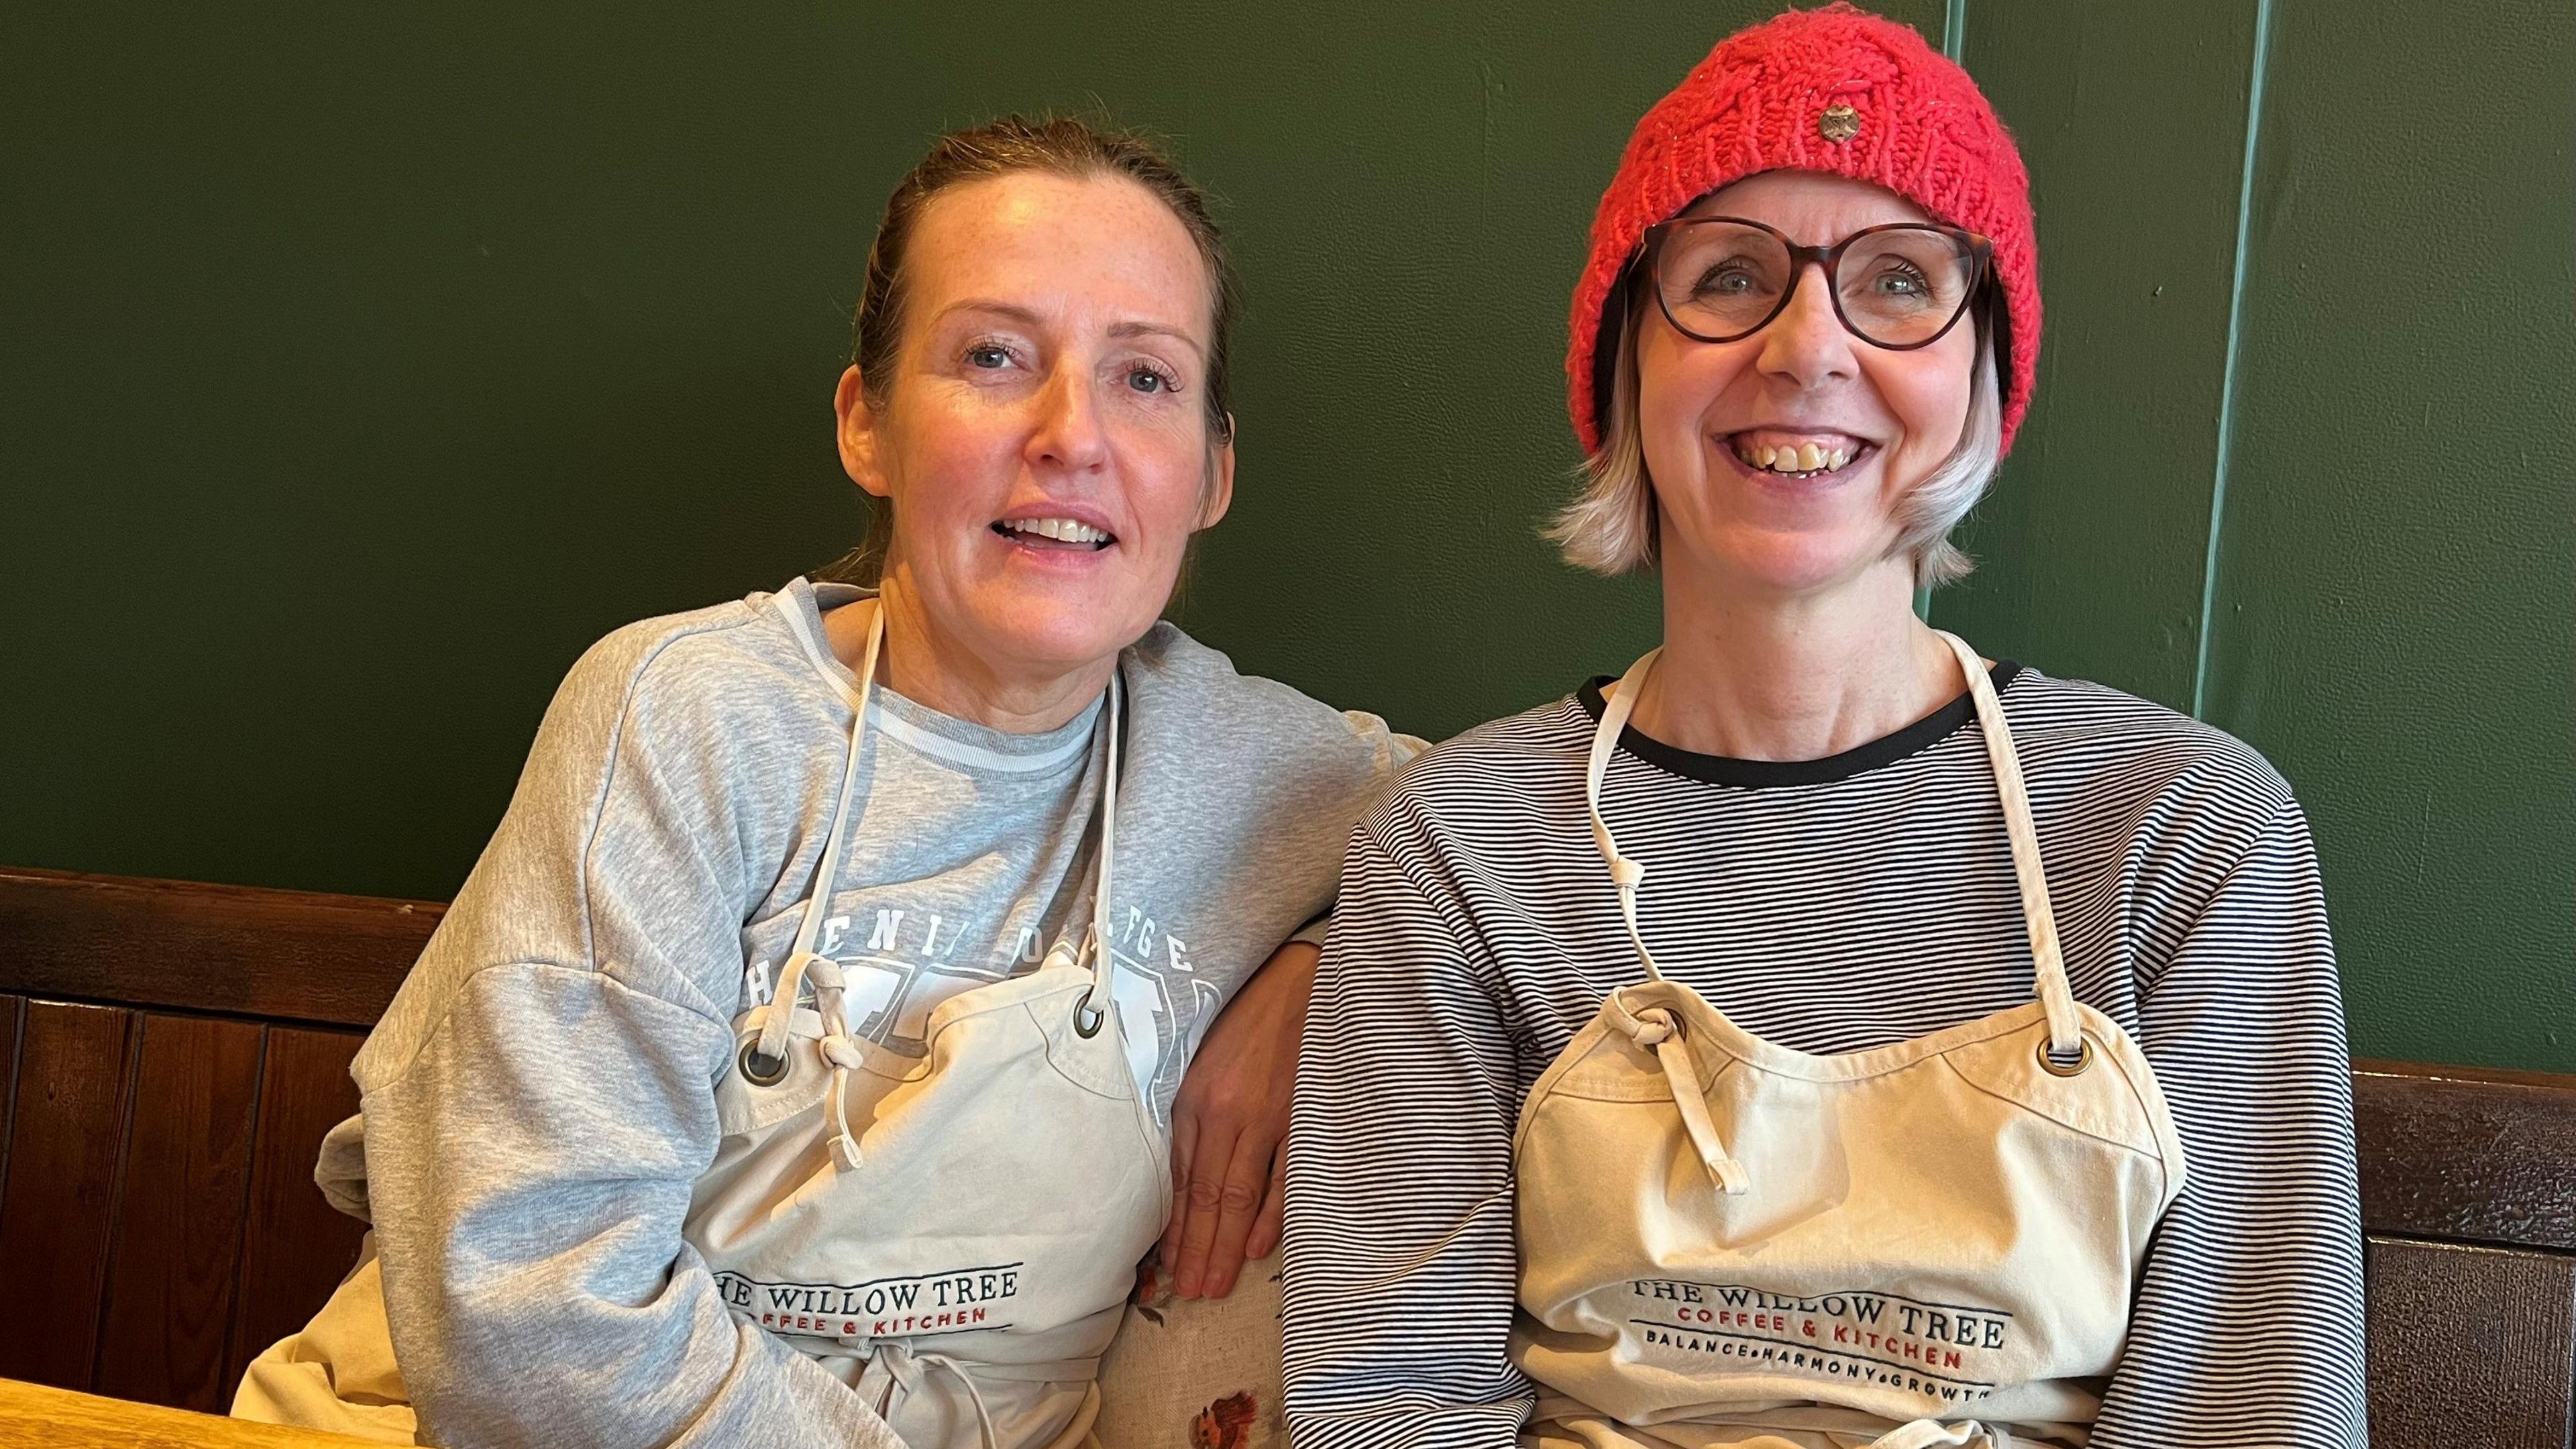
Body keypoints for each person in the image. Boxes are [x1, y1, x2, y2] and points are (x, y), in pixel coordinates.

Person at [234, 115, 1417, 1449]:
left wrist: (1329, 954)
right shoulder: (688, 717)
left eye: (1144, 378)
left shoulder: (1269, 770)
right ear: (869, 424)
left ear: (1212, 471)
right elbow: (537, 1324)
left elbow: (1573, 851)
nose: (1070, 433)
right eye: (993, 356)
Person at [1282, 9, 2366, 1448]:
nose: (1808, 349)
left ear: (1983, 379)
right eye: (1728, 277)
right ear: (1628, 368)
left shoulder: (2182, 831)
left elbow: (2253, 1410)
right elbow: (1385, 1410)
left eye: (1900, 282)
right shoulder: (1458, 847)